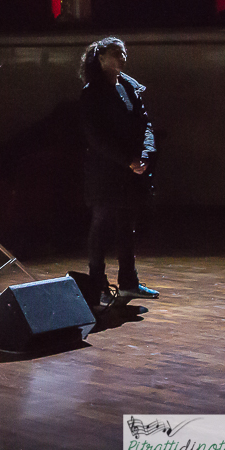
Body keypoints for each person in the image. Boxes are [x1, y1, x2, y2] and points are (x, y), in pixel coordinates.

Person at [79, 37, 159, 306]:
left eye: (124, 53)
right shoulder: (92, 93)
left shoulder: (129, 87)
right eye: (117, 54)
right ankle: (97, 284)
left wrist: (145, 154)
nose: (123, 58)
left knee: (127, 226)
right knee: (101, 226)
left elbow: (146, 124)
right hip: (106, 172)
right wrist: (127, 159)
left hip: (129, 171)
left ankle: (128, 282)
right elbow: (96, 137)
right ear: (101, 59)